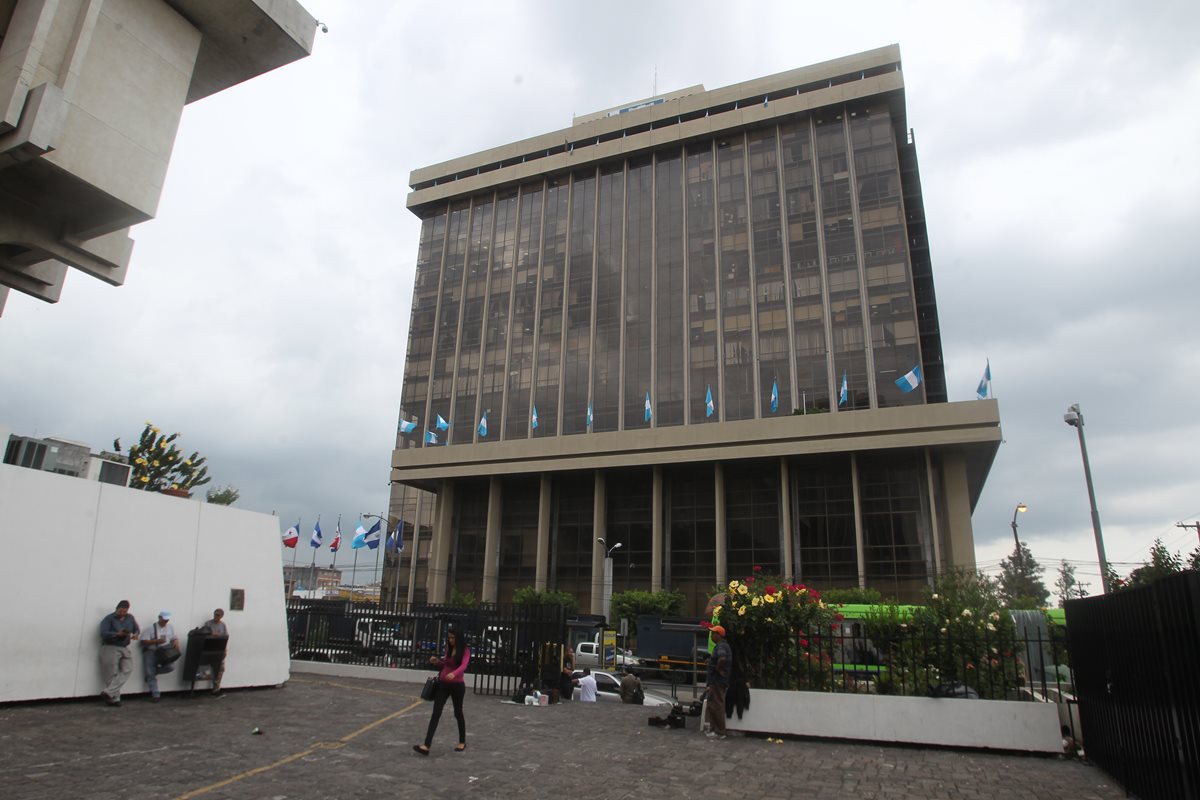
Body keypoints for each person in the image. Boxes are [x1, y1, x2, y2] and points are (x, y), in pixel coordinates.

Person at [413, 626, 470, 755]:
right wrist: (436, 662)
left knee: (458, 712)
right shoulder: (448, 649)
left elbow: (463, 666)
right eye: (449, 637)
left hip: (457, 686)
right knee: (436, 713)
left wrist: (454, 674)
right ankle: (426, 745)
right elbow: (445, 664)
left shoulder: (465, 650)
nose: (450, 640)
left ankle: (462, 741)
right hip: (443, 685)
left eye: (453, 638)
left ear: (458, 638)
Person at [99, 600, 140, 706]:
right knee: (112, 672)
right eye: (120, 611)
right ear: (116, 609)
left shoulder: (130, 618)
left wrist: (135, 634)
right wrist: (117, 634)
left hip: (124, 646)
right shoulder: (109, 619)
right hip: (110, 646)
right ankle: (114, 699)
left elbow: (136, 629)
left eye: (124, 612)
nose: (122, 613)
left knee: (128, 669)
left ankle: (109, 692)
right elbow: (103, 633)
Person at [139, 611, 180, 703]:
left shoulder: (170, 627)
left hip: (164, 651)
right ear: (159, 618)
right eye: (164, 619)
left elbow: (173, 637)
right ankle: (155, 694)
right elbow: (143, 641)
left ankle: (152, 673)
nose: (165, 621)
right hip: (151, 651)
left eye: (167, 620)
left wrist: (176, 641)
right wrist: (156, 641)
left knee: (170, 667)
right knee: (150, 672)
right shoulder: (151, 628)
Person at [704, 625, 732, 739]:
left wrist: (717, 669)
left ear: (718, 635)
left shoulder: (721, 646)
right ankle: (714, 729)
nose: (711, 636)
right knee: (712, 704)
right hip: (715, 680)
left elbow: (722, 658)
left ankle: (720, 731)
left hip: (718, 681)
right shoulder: (720, 646)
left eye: (713, 634)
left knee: (717, 705)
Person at [202, 608, 229, 696]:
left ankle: (216, 687)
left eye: (218, 615)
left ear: (221, 616)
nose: (216, 616)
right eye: (215, 614)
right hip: (209, 648)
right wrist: (211, 634)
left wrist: (225, 649)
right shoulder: (208, 624)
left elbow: (225, 637)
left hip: (219, 648)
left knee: (220, 668)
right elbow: (203, 634)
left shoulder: (223, 625)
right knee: (209, 668)